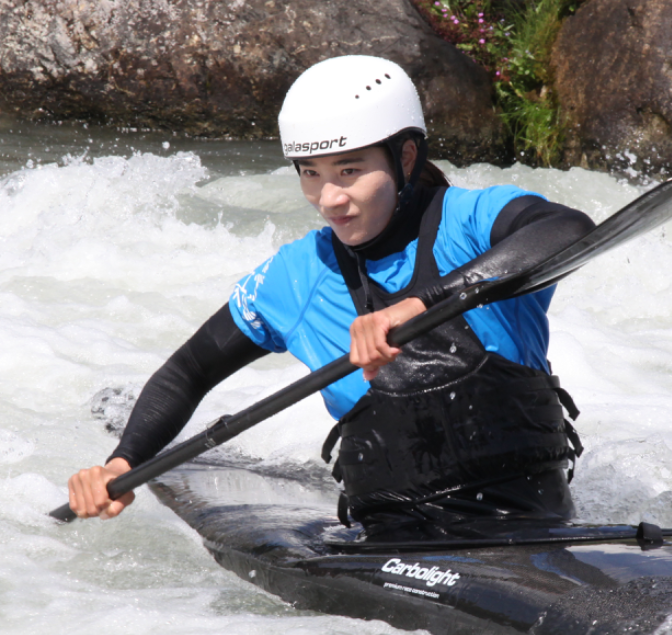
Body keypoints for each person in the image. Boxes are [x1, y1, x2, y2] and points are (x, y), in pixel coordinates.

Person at [68, 55, 595, 538]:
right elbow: (188, 372)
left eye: (350, 170)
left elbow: (569, 229)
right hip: (392, 538)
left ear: (406, 157)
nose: (330, 199)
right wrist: (123, 461)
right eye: (310, 175)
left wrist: (426, 302)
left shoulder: (473, 222)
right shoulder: (298, 275)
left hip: (536, 520)